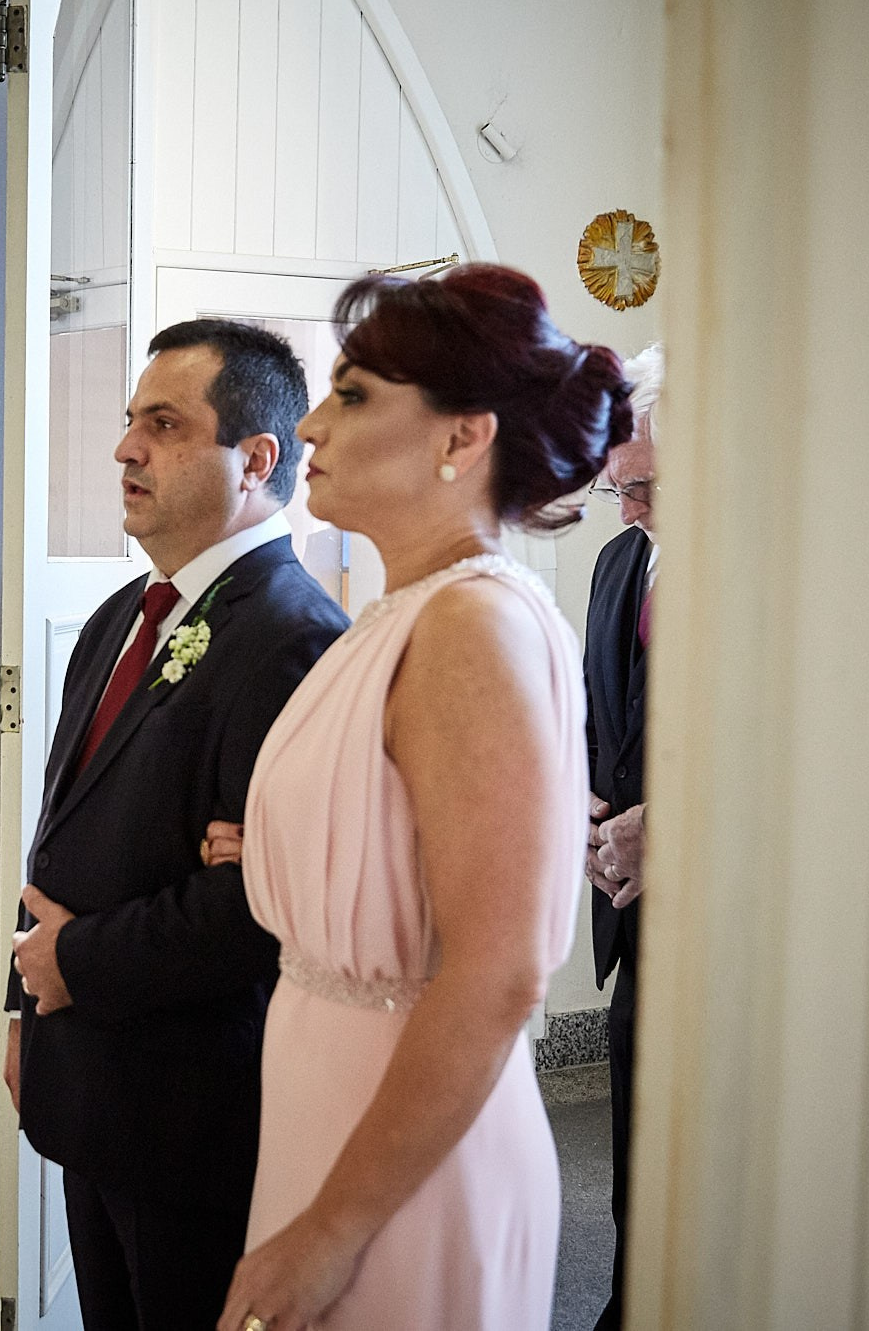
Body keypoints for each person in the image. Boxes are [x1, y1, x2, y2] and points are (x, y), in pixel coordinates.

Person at [211, 264, 631, 1330]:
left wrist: (329, 1232)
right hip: (328, 1105)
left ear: (461, 438)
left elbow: (494, 973)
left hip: (406, 1162)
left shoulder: (469, 628)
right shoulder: (400, 613)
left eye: (351, 396)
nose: (310, 421)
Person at [4, 320, 351, 1329]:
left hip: (190, 1109)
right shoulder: (118, 617)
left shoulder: (292, 640)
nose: (124, 448)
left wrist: (76, 966)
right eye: (128, 422)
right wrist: (29, 1009)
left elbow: (258, 901)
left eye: (162, 425)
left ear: (254, 460)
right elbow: (59, 836)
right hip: (87, 1080)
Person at [582, 343, 662, 1330]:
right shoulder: (615, 561)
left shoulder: (760, 569)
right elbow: (605, 726)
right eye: (616, 489)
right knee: (633, 1149)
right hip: (625, 911)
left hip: (731, 922)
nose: (629, 508)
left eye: (644, 486)